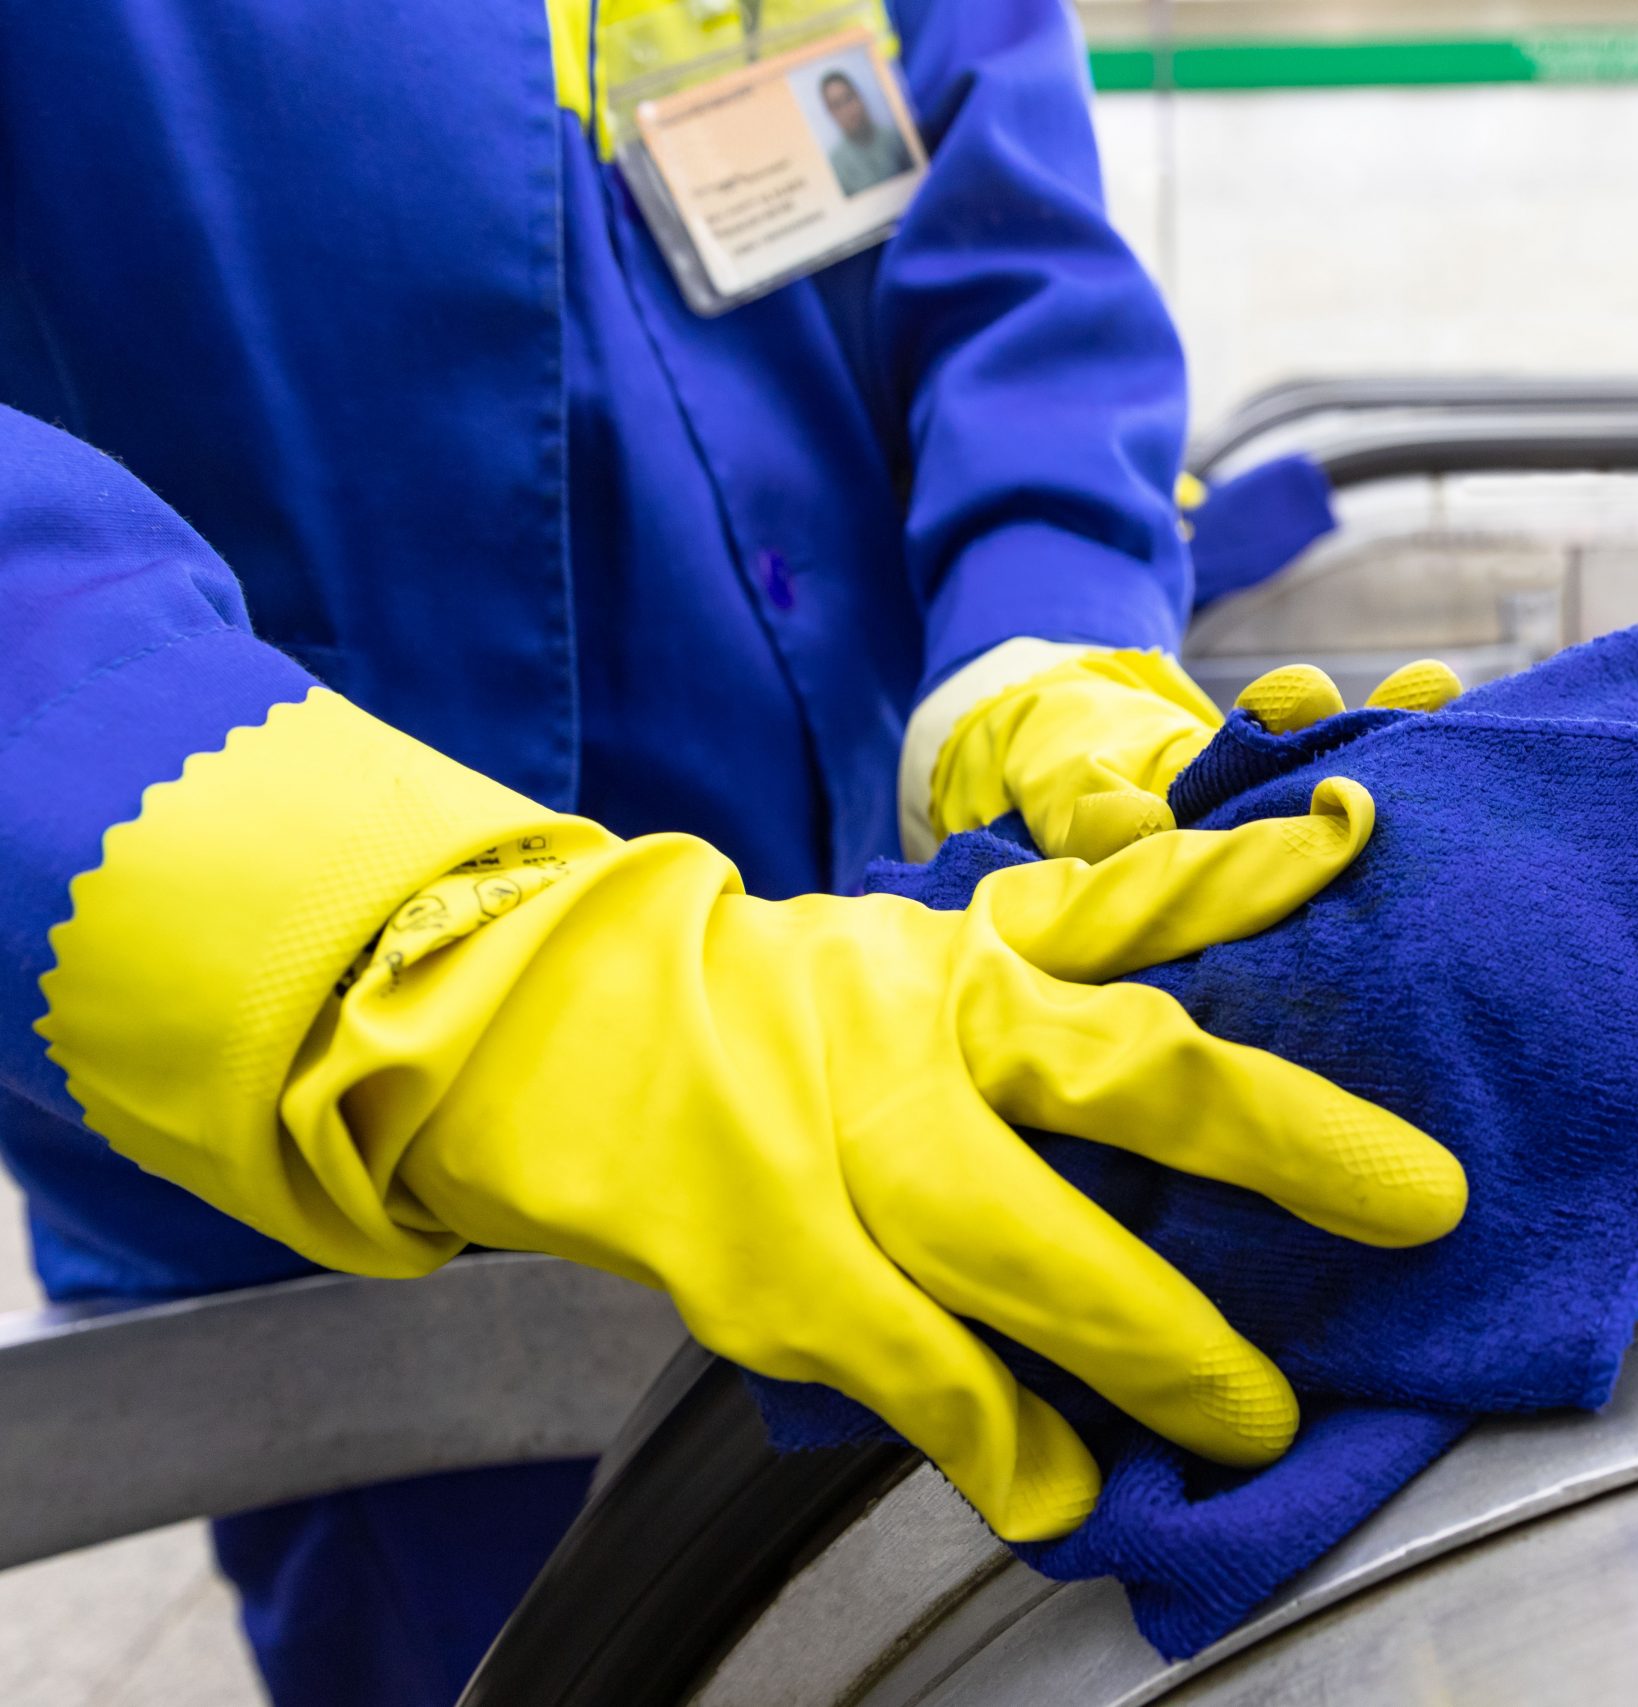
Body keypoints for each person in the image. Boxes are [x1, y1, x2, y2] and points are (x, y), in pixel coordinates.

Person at [0, 3, 1467, 1703]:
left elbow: (1006, 248)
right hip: (355, 1141)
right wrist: (429, 969)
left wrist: (1042, 637)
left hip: (906, 980)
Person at [819, 65, 915, 194]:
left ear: (859, 97)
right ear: (831, 113)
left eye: (848, 98)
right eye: (837, 105)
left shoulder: (897, 138)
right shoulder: (835, 167)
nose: (847, 110)